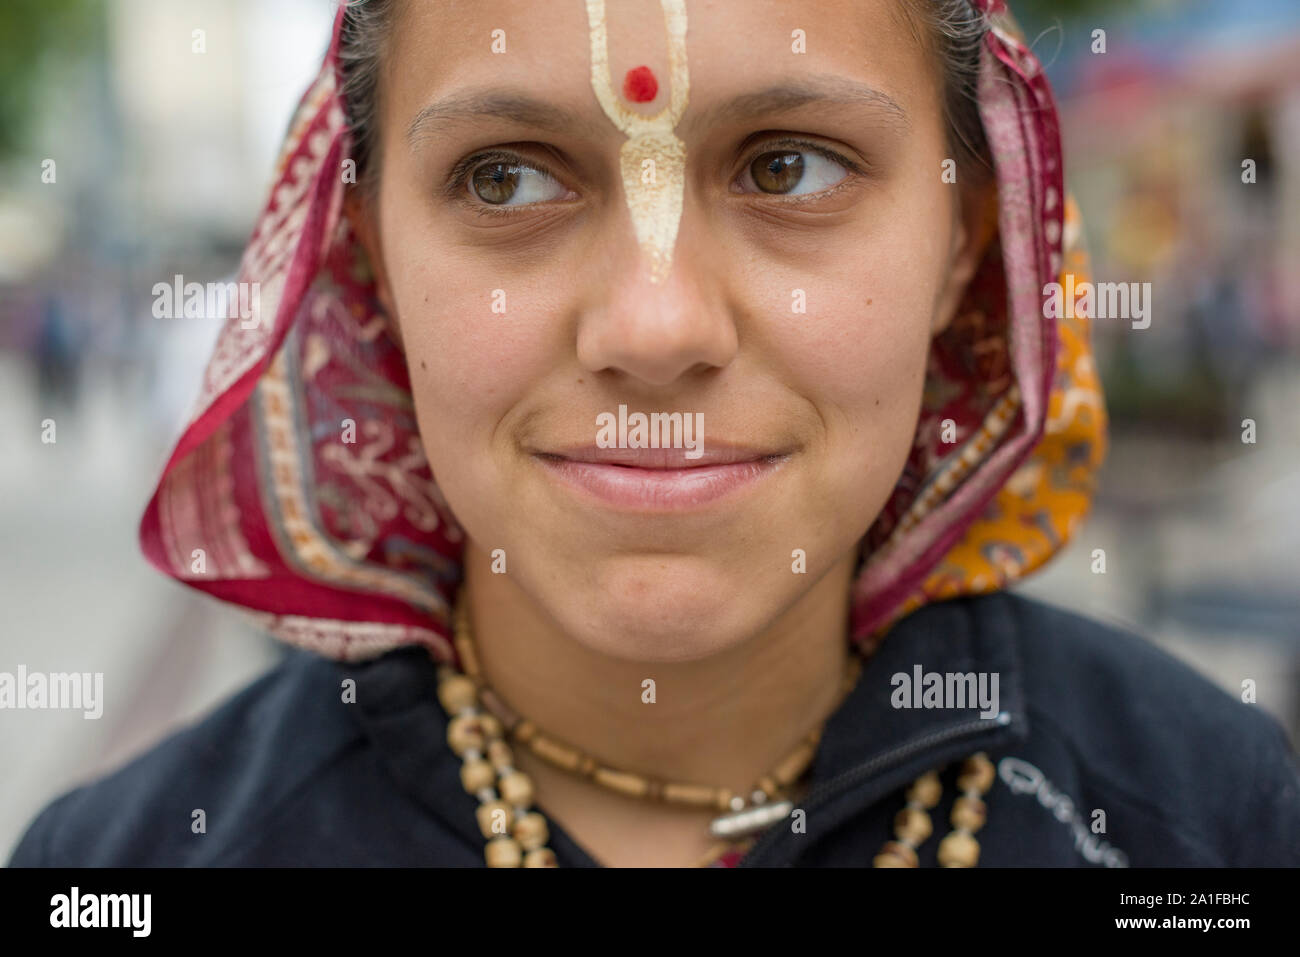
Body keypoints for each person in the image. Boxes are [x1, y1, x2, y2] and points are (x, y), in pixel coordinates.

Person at [9, 0, 1299, 868]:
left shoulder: (1206, 823)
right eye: (506, 175)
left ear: (965, 250)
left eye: (789, 165)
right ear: (373, 261)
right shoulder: (129, 862)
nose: (656, 322)